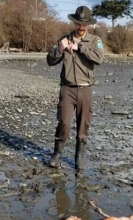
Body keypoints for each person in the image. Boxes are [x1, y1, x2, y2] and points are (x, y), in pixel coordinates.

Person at [46, 6, 103, 171]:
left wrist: (80, 48)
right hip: (67, 88)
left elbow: (99, 58)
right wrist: (60, 49)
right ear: (74, 23)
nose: (81, 27)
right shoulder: (64, 39)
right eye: (78, 23)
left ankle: (79, 157)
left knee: (83, 124)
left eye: (84, 24)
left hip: (85, 89)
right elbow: (50, 61)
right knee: (64, 122)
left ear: (88, 25)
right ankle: (57, 153)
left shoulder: (94, 41)